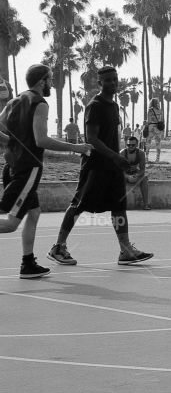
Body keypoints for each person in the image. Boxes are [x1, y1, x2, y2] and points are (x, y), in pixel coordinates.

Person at [48, 66, 154, 268]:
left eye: (115, 79)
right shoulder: (94, 105)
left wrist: (119, 159)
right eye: (108, 80)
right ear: (99, 83)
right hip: (95, 166)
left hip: (112, 167)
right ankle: (58, 247)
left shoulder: (114, 106)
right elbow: (92, 139)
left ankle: (125, 250)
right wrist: (116, 157)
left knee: (119, 207)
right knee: (78, 205)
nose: (113, 83)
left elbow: (111, 137)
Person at [0, 64, 92, 277]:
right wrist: (75, 147)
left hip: (12, 165)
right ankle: (27, 263)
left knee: (34, 213)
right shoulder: (40, 103)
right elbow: (41, 140)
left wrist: (13, 142)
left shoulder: (14, 101)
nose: (52, 83)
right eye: (50, 79)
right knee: (12, 223)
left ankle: (27, 263)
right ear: (42, 81)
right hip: (27, 169)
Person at [120, 133, 149, 209]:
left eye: (133, 145)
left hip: (135, 173)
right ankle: (119, 205)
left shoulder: (141, 153)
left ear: (137, 145)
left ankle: (146, 205)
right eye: (128, 145)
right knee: (117, 179)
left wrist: (137, 175)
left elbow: (142, 169)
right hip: (124, 174)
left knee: (144, 179)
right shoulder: (122, 153)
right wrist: (127, 176)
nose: (130, 147)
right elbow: (118, 169)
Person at [145, 98, 164, 163]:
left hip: (151, 127)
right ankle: (157, 159)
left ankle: (146, 158)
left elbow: (149, 120)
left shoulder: (150, 110)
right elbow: (161, 120)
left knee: (148, 143)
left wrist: (146, 127)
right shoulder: (160, 111)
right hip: (158, 128)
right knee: (158, 144)